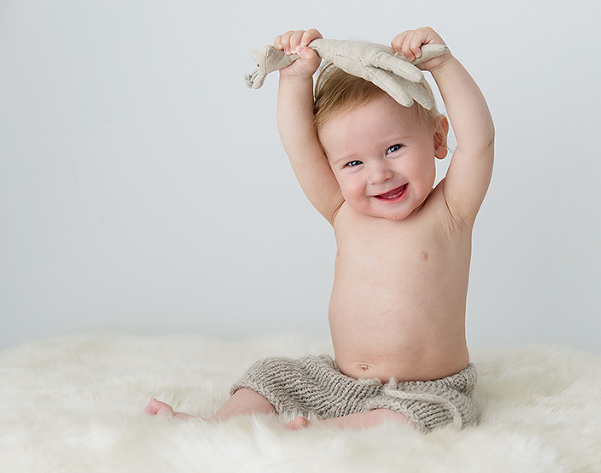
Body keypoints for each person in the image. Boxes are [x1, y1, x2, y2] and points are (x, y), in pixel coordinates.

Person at [146, 26, 494, 432]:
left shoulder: (450, 211)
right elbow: (300, 149)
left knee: (434, 416)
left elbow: (478, 142)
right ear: (333, 167)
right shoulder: (343, 210)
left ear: (437, 138)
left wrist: (443, 65)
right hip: (340, 381)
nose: (379, 174)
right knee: (271, 373)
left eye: (394, 148)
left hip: (425, 389)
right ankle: (214, 426)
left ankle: (325, 433)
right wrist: (296, 79)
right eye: (353, 163)